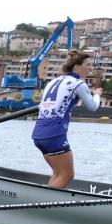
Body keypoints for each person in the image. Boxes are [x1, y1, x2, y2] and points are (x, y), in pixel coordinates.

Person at [31, 51, 101, 189]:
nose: (90, 68)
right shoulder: (78, 84)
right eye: (87, 65)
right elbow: (92, 107)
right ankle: (41, 205)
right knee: (67, 175)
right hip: (54, 133)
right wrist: (97, 95)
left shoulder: (53, 81)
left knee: (58, 173)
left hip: (38, 134)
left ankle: (44, 202)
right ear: (76, 67)